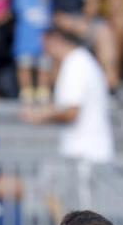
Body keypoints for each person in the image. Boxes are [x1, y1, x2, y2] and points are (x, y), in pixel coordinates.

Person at [20, 26, 114, 166]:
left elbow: (71, 113)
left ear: (55, 40)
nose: (44, 52)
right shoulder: (82, 61)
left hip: (86, 156)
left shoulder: (75, 65)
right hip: (90, 154)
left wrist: (40, 116)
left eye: (45, 46)